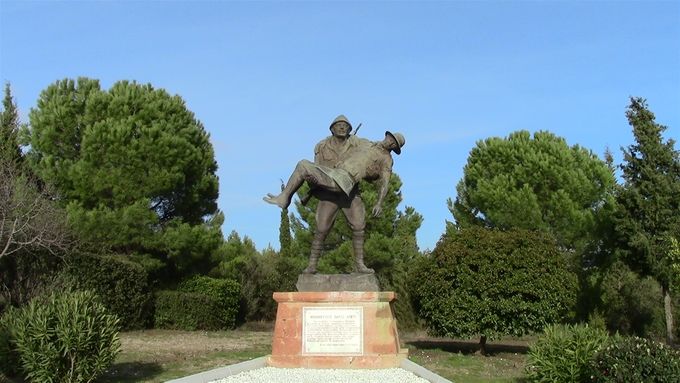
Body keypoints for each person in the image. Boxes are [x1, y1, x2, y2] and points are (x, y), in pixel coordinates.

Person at [264, 128, 405, 274]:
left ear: (395, 148)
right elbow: (342, 138)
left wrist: (379, 203)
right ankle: (312, 266)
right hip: (335, 177)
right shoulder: (364, 143)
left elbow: (385, 183)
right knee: (321, 229)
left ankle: (360, 265)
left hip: (347, 184)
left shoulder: (386, 159)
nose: (390, 143)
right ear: (386, 136)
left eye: (394, 144)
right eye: (391, 139)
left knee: (358, 225)